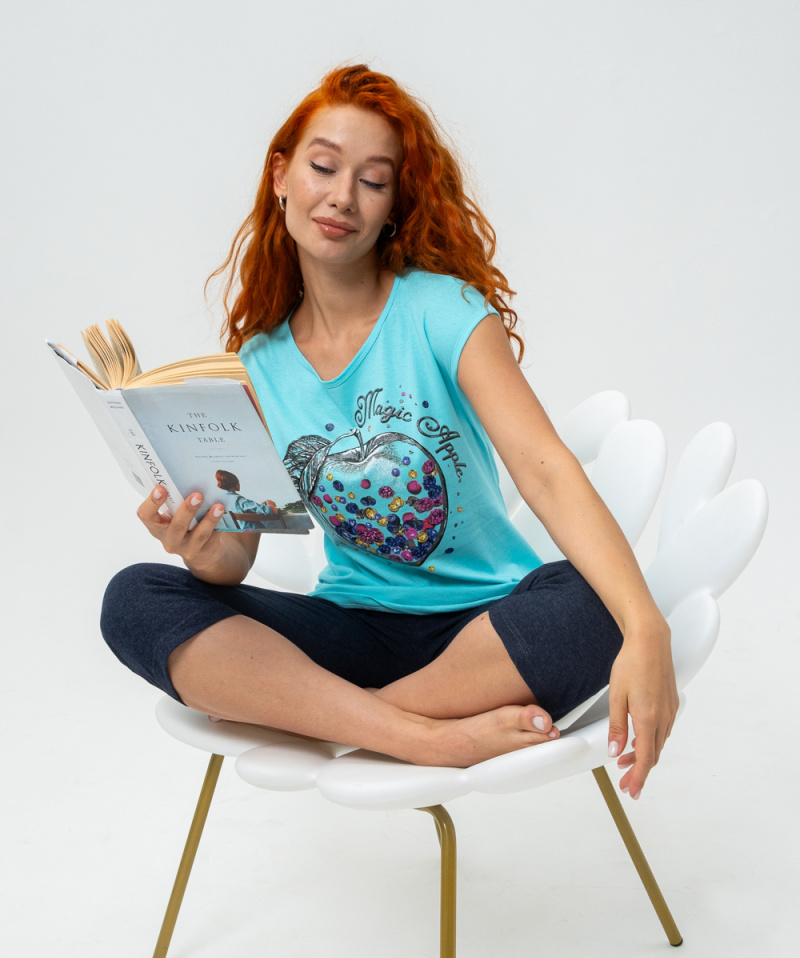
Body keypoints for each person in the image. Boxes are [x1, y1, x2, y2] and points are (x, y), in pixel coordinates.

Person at [101, 65, 678, 797]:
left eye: (372, 181)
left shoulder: (442, 311)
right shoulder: (257, 363)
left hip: (487, 633)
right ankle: (424, 737)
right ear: (281, 177)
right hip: (351, 632)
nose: (343, 196)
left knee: (592, 606)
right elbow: (235, 559)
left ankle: (332, 719)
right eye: (323, 167)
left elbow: (546, 470)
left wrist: (646, 624)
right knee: (134, 597)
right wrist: (198, 544)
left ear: (393, 205)